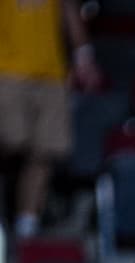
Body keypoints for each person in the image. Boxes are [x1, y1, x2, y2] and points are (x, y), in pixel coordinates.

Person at [0, 0, 97, 238]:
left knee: (46, 149)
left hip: (52, 72)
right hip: (7, 69)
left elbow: (69, 10)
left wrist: (83, 56)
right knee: (12, 141)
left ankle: (27, 222)